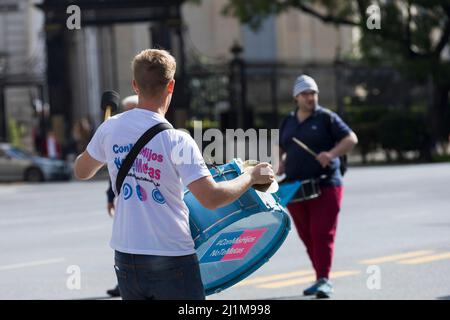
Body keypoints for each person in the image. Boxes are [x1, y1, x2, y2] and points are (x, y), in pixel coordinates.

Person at [74, 49, 274, 300]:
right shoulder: (177, 140)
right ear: (171, 86)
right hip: (171, 256)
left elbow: (81, 170)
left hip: (126, 257)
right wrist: (251, 176)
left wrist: (99, 141)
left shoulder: (110, 128)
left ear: (135, 85)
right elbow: (211, 198)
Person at [277, 74, 358, 298]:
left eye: (313, 93)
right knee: (307, 236)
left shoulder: (326, 118)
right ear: (296, 97)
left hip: (326, 184)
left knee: (322, 233)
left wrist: (331, 154)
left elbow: (351, 139)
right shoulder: (288, 121)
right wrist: (282, 163)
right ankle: (319, 276)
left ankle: (324, 279)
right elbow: (283, 146)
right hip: (294, 187)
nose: (310, 97)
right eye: (305, 94)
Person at [105, 95, 138, 298]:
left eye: (129, 110)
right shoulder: (117, 137)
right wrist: (110, 197)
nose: (125, 115)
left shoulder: (160, 134)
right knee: (127, 242)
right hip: (127, 203)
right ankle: (123, 282)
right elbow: (113, 174)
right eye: (124, 110)